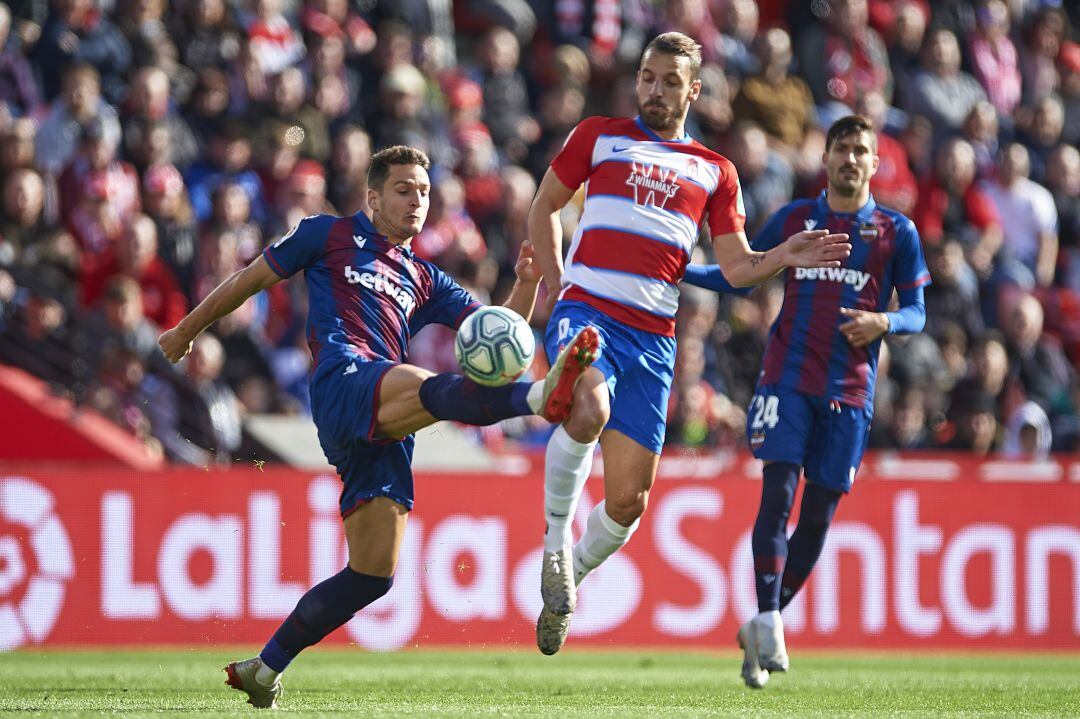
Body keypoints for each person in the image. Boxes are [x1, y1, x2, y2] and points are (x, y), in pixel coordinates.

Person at [158, 145, 601, 708]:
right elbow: (250, 281)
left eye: (423, 191)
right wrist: (187, 331)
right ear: (372, 196)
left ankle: (263, 669)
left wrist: (529, 282)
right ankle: (541, 397)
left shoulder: (426, 277)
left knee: (373, 575)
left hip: (383, 422)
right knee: (425, 382)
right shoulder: (326, 234)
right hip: (346, 380)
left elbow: (497, 337)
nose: (417, 199)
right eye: (403, 189)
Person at [527, 31, 851, 657]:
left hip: (653, 338)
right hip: (588, 314)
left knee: (628, 503)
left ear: (693, 91)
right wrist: (556, 285)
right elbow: (544, 207)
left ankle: (566, 577)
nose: (654, 89)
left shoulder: (715, 170)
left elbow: (734, 267)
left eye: (670, 81)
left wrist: (782, 256)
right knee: (586, 409)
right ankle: (553, 541)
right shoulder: (598, 134)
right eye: (648, 76)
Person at [683, 114, 931, 688]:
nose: (849, 159)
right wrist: (683, 270)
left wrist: (884, 321)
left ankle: (763, 621)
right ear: (825, 159)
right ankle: (769, 617)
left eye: (860, 151)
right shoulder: (797, 219)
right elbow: (742, 276)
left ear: (875, 163)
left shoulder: (898, 233)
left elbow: (918, 313)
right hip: (786, 380)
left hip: (850, 391)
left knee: (817, 517)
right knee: (778, 492)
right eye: (840, 149)